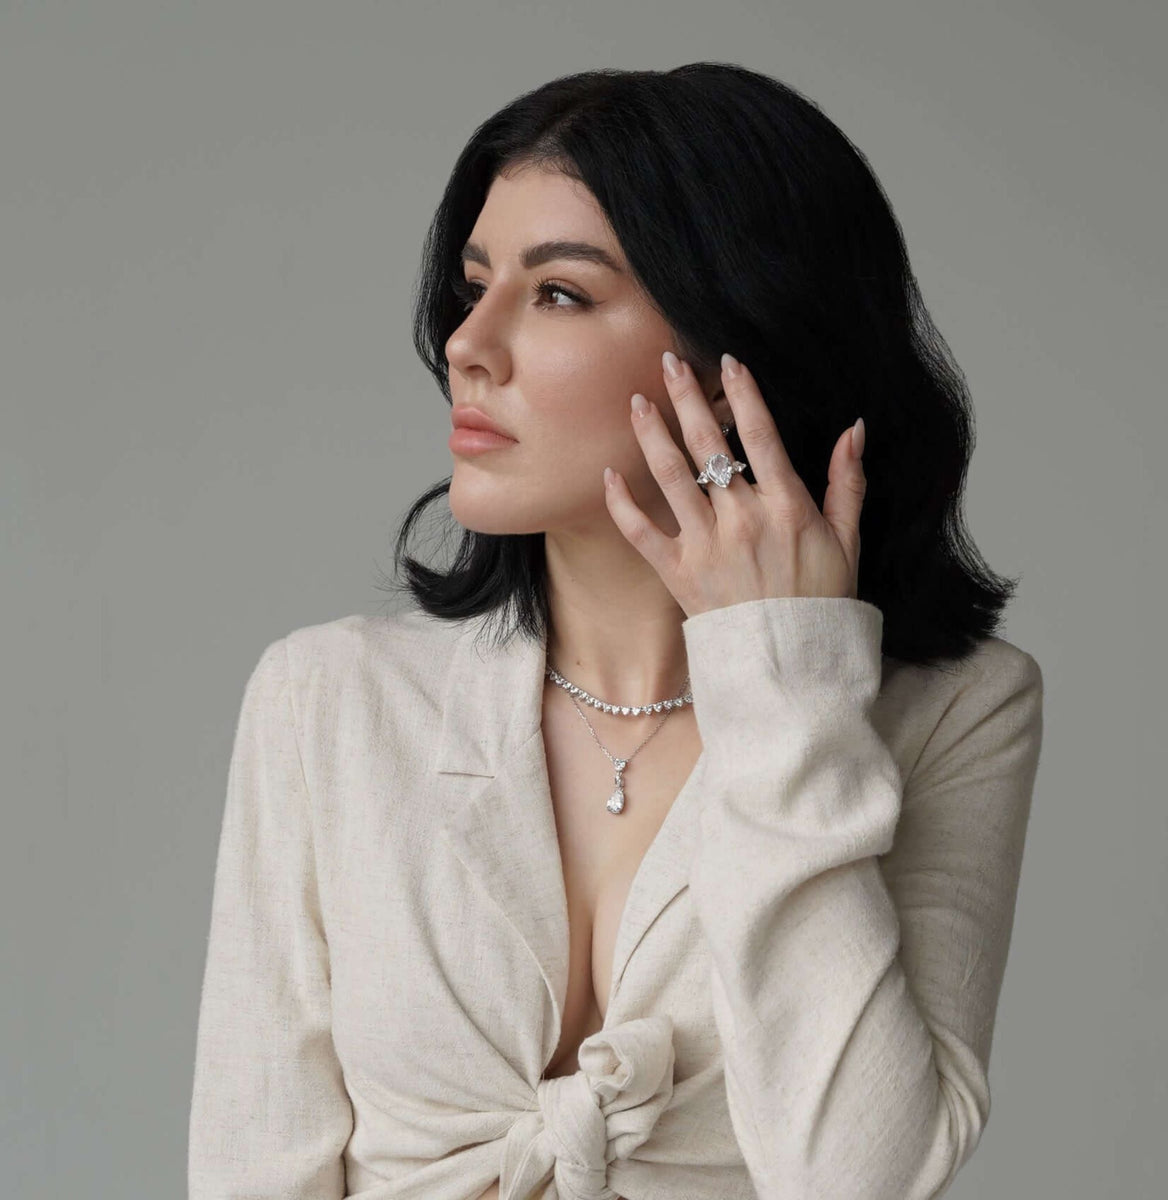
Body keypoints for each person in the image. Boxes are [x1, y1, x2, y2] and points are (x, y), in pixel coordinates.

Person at [188, 62, 1044, 1200]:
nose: (466, 345)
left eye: (557, 295)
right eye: (475, 283)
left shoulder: (958, 710)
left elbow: (861, 1174)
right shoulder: (325, 701)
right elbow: (251, 1166)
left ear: (743, 345)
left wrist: (786, 674)